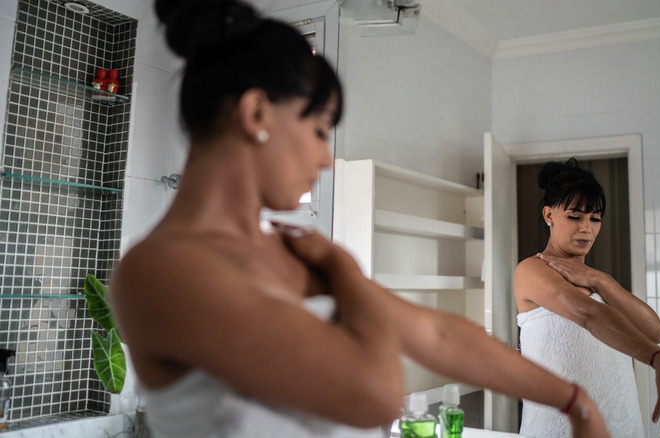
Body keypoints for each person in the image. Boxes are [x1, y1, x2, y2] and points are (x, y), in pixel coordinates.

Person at [110, 1, 611, 437]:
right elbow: (371, 396)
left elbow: (436, 336)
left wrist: (574, 402)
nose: (327, 158)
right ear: (257, 114)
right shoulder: (163, 270)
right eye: (319, 129)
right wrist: (345, 273)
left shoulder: (288, 247)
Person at [513, 158, 660, 438]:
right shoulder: (531, 270)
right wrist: (658, 359)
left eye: (595, 218)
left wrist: (601, 280)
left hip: (621, 426)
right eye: (575, 216)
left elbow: (654, 331)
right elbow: (589, 315)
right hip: (556, 429)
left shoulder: (598, 281)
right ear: (549, 215)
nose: (587, 228)